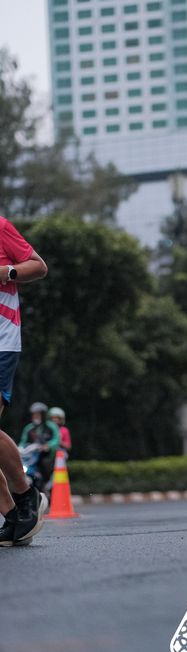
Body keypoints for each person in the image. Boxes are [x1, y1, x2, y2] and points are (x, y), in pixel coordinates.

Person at [0, 217, 49, 547]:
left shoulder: (1, 227)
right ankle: (14, 515)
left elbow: (38, 266)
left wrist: (6, 272)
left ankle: (26, 494)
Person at [19, 402, 60, 492]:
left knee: (45, 464)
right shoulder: (29, 428)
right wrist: (20, 448)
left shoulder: (51, 426)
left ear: (44, 415)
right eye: (34, 414)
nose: (35, 416)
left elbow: (56, 440)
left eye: (38, 414)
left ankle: (46, 483)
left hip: (46, 456)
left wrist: (48, 446)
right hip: (31, 456)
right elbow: (23, 442)